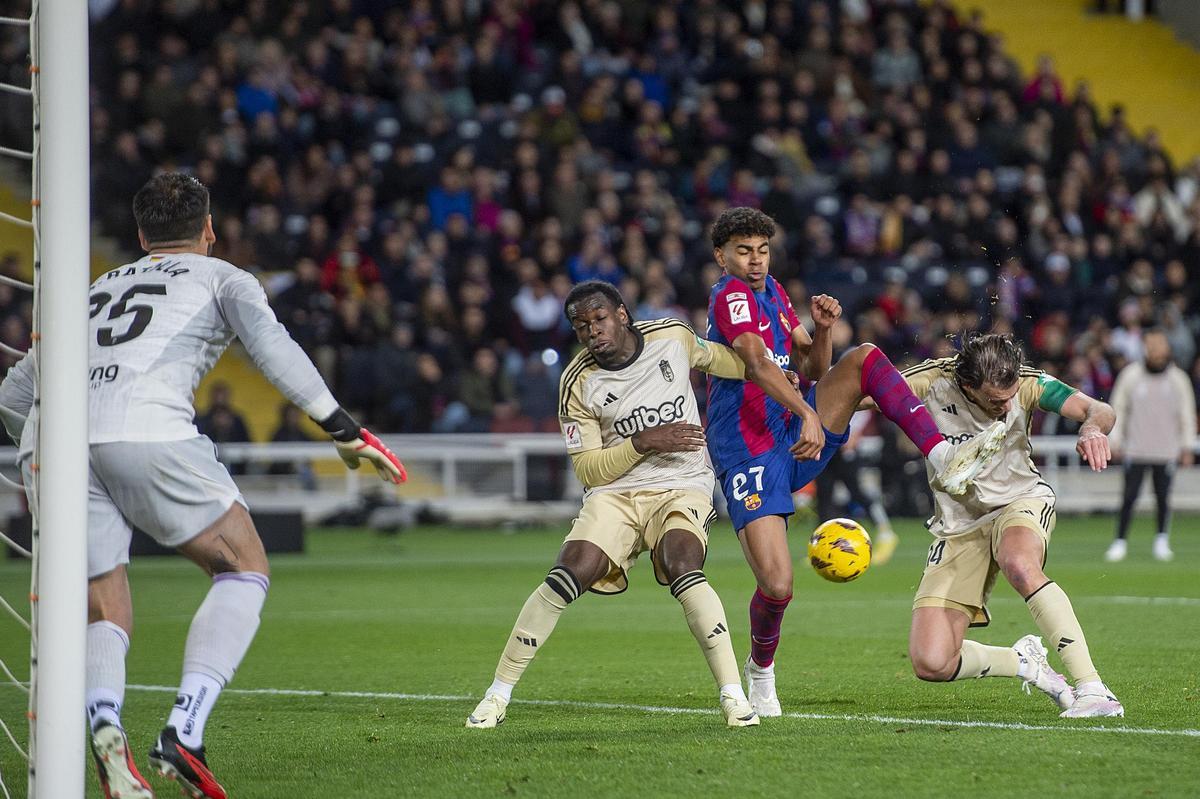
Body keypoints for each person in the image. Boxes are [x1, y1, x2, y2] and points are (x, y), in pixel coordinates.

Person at [0, 173, 407, 799]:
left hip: (51, 445)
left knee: (103, 603)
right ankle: (184, 731)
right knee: (244, 566)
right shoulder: (223, 277)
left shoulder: (94, 289)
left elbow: (15, 393)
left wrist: (44, 451)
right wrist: (341, 425)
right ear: (209, 230)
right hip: (146, 431)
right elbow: (273, 346)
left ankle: (106, 726)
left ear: (140, 236)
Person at [703, 207, 1006, 718]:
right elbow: (756, 364)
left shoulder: (773, 292)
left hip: (792, 431)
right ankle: (761, 672)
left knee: (863, 357)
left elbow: (812, 367)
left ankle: (941, 454)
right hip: (748, 449)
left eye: (762, 250)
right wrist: (807, 413)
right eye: (743, 251)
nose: (754, 261)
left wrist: (821, 331)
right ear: (721, 255)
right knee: (777, 586)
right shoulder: (730, 296)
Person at [465, 280, 761, 730]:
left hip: (682, 483)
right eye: (581, 325)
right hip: (616, 493)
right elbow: (588, 471)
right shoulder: (576, 382)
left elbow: (727, 361)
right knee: (569, 569)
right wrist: (643, 442)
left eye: (598, 319)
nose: (591, 331)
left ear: (621, 314)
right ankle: (497, 694)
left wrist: (779, 375)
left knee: (682, 561)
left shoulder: (672, 337)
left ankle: (733, 696)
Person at [899, 333, 1124, 718]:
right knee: (932, 661)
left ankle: (1092, 687)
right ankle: (1024, 663)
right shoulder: (929, 382)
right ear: (968, 386)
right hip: (958, 523)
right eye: (995, 400)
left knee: (1019, 563)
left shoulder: (1028, 383)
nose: (1007, 406)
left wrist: (1090, 429)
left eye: (1011, 396)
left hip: (1019, 500)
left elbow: (1099, 409)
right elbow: (864, 389)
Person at [1106, 328, 1196, 562]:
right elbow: (1118, 409)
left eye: (1160, 345)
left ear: (1167, 348)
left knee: (1163, 498)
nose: (1156, 351)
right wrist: (1115, 440)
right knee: (1128, 498)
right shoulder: (1131, 375)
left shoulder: (1178, 379)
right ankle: (1120, 541)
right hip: (1135, 449)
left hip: (1166, 450)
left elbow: (1186, 414)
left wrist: (1186, 446)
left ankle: (1161, 540)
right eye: (1152, 345)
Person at [814, 410, 899, 565]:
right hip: (826, 443)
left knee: (857, 491)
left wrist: (854, 433)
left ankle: (885, 531)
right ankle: (821, 546)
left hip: (843, 442)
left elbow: (861, 404)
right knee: (824, 493)